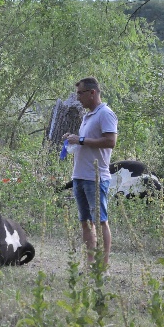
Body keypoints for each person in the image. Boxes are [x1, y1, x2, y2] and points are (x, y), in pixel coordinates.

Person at [63, 77, 118, 271]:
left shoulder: (106, 114)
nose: (78, 98)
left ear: (92, 93)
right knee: (85, 222)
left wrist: (82, 140)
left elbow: (110, 141)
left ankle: (103, 267)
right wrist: (73, 140)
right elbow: (84, 141)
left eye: (80, 93)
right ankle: (90, 265)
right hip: (80, 176)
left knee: (100, 221)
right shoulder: (88, 116)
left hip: (96, 177)